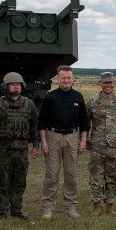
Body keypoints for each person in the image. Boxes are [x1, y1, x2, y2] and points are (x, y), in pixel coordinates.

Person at [38, 65, 88, 219]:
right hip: (53, 137)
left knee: (71, 175)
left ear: (73, 79)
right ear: (58, 79)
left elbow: (84, 122)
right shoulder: (50, 97)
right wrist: (43, 141)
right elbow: (42, 122)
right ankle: (48, 208)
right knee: (52, 174)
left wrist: (83, 141)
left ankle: (71, 207)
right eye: (63, 78)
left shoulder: (78, 97)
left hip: (72, 137)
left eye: (69, 78)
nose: (66, 80)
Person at [0, 72, 39, 220]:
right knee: (2, 180)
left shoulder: (29, 104)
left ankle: (16, 209)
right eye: (13, 84)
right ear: (6, 86)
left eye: (18, 84)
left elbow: (35, 126)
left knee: (19, 181)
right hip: (4, 149)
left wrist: (35, 146)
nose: (16, 87)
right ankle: (2, 210)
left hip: (22, 149)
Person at [85, 72, 116, 216]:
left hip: (115, 146)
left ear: (114, 83)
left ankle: (110, 206)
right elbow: (86, 124)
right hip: (97, 146)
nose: (108, 85)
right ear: (100, 84)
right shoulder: (92, 102)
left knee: (113, 177)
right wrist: (85, 141)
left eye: (110, 82)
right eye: (105, 83)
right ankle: (96, 207)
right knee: (96, 177)